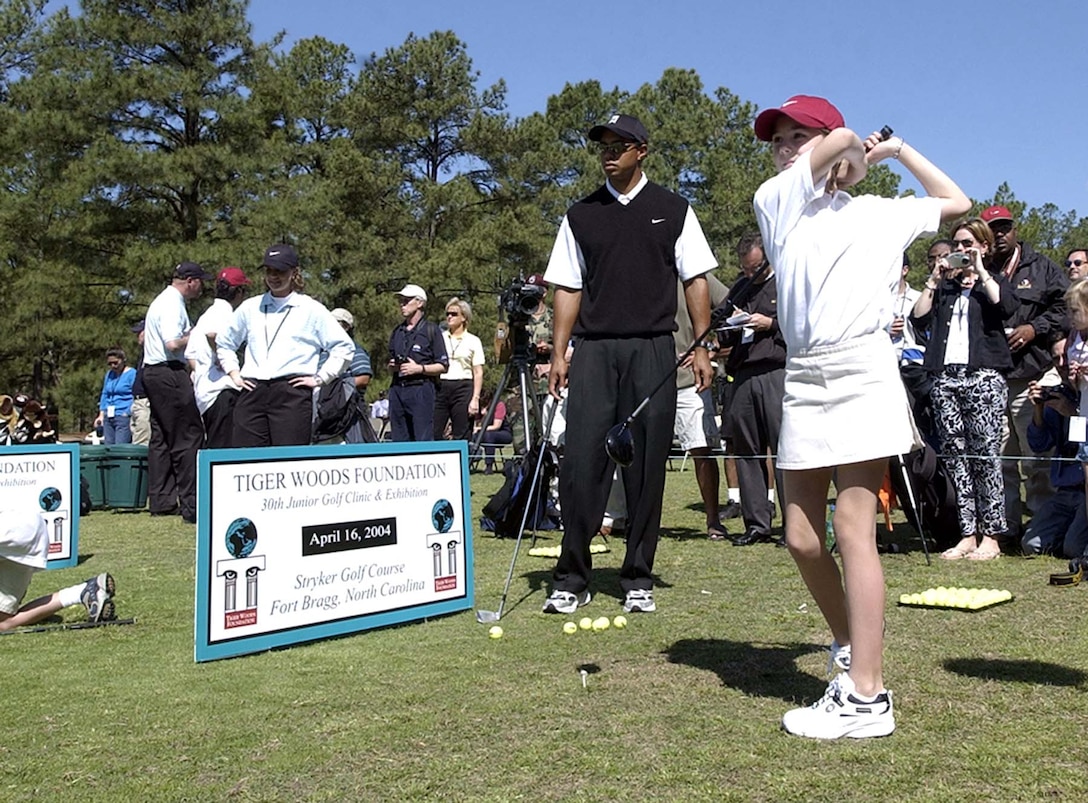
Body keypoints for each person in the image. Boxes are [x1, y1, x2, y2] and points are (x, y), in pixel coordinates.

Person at [752, 94, 970, 739]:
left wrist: (896, 151)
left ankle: (867, 697)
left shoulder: (879, 213)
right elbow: (841, 138)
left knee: (854, 528)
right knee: (799, 535)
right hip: (805, 375)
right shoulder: (778, 199)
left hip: (866, 368)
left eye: (798, 135)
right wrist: (848, 151)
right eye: (779, 139)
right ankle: (852, 647)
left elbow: (955, 202)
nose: (786, 147)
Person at [542, 112, 716, 616]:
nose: (609, 151)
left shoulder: (675, 209)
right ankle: (572, 576)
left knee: (644, 467)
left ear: (642, 150)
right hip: (594, 350)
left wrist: (700, 345)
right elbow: (568, 287)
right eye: (603, 143)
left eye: (621, 143)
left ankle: (637, 574)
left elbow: (696, 280)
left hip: (653, 348)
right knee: (580, 464)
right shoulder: (580, 214)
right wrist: (559, 352)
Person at [911, 218, 1018, 561]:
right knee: (956, 458)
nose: (961, 250)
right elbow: (919, 318)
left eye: (968, 244)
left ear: (984, 247)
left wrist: (981, 271)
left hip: (983, 376)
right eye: (957, 244)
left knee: (985, 458)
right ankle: (967, 533)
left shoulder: (993, 282)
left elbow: (1007, 307)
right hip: (946, 377)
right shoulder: (945, 288)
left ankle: (993, 536)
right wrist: (934, 279)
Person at [982, 204, 1068, 546]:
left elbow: (1065, 307)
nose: (1000, 234)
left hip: (1030, 374)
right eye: (993, 229)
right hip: (991, 375)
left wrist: (1035, 328)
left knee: (1036, 458)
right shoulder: (980, 268)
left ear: (1015, 230)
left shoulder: (1042, 266)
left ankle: (1041, 527)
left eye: (1005, 227)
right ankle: (1006, 527)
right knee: (1000, 457)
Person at [217, 244, 354, 448]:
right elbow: (224, 341)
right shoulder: (250, 307)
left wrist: (321, 378)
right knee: (246, 459)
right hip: (252, 390)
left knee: (288, 460)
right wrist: (234, 373)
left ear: (294, 273)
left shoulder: (311, 309)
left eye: (280, 271)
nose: (274, 276)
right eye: (269, 271)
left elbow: (344, 347)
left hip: (292, 393)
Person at [720, 232, 787, 547]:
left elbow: (804, 326)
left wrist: (770, 324)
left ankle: (796, 524)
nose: (750, 274)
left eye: (756, 268)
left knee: (785, 450)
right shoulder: (739, 287)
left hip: (777, 370)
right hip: (743, 373)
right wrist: (730, 324)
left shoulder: (786, 283)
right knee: (746, 449)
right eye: (746, 269)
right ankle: (757, 523)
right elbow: (718, 328)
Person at [142, 261, 212, 523]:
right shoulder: (172, 304)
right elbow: (173, 343)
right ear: (190, 280)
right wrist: (195, 335)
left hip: (153, 372)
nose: (201, 287)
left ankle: (161, 499)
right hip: (168, 371)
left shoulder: (162, 301)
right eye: (200, 281)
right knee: (188, 434)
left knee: (160, 437)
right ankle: (192, 503)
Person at [673, 272, 730, 540]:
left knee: (701, 451)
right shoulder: (640, 267)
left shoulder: (694, 273)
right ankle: (636, 520)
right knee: (642, 454)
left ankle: (713, 520)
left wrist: (708, 347)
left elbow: (731, 305)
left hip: (690, 381)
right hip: (646, 377)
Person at [0, 507, 116, 630]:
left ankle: (82, 592)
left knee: (3, 623)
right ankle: (82, 591)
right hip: (27, 521)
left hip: (11, 530)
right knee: (4, 619)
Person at [1021, 375, 1087, 559]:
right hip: (1065, 491)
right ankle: (1070, 534)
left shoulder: (1084, 394)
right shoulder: (1058, 395)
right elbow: (1039, 445)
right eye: (1056, 359)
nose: (1063, 363)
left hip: (1086, 488)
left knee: (1074, 549)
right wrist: (1039, 408)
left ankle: (1073, 538)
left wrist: (1075, 413)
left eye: (1066, 357)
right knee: (1031, 544)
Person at [185, 267, 251, 449]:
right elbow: (212, 335)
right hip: (223, 392)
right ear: (239, 292)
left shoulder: (206, 315)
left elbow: (190, 355)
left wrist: (207, 369)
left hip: (206, 393)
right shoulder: (226, 314)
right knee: (224, 453)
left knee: (214, 448)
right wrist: (227, 361)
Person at [387, 284, 448, 442]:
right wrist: (393, 366)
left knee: (423, 438)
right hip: (398, 388)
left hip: (421, 389)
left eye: (407, 300)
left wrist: (419, 368)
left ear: (420, 303)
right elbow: (391, 360)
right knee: (399, 439)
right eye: (401, 300)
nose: (402, 304)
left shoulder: (431, 330)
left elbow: (443, 366)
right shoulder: (397, 331)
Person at [434, 297, 484, 442]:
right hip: (441, 386)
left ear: (464, 318)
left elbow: (478, 371)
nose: (449, 317)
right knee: (434, 431)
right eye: (447, 313)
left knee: (461, 433)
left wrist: (475, 399)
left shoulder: (473, 341)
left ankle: (463, 463)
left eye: (454, 314)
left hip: (463, 387)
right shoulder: (439, 338)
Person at [93, 347, 137, 444]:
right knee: (108, 447)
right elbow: (105, 393)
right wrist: (101, 415)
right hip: (108, 415)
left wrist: (128, 412)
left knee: (120, 447)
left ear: (123, 360)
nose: (113, 366)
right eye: (110, 363)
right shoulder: (109, 374)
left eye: (115, 362)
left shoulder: (132, 374)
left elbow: (136, 395)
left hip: (123, 415)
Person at [475, 388, 513, 474]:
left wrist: (486, 416)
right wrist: (482, 418)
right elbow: (478, 425)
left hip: (503, 433)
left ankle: (489, 466)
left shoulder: (499, 405)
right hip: (484, 433)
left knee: (489, 435)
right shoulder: (479, 407)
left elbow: (496, 426)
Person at [129, 320, 151, 446]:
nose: (137, 336)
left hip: (145, 403)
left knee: (141, 444)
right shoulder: (143, 354)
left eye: (140, 333)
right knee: (136, 440)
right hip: (137, 403)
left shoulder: (153, 355)